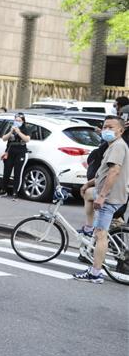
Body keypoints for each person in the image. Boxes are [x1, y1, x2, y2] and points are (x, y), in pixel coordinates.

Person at [74, 116, 129, 283]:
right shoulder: (112, 146)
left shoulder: (118, 147)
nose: (107, 130)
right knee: (88, 194)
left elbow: (114, 172)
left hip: (110, 197)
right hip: (105, 193)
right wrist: (89, 183)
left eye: (111, 127)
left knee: (101, 235)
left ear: (121, 130)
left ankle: (95, 272)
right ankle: (89, 227)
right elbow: (103, 172)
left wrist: (103, 196)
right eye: (105, 126)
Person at [0, 113, 30, 199]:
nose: (17, 122)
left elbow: (27, 139)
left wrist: (19, 132)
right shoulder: (11, 127)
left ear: (23, 121)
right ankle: (3, 190)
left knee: (17, 173)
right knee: (6, 172)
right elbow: (4, 138)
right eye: (16, 120)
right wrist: (11, 131)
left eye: (19, 120)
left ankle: (15, 192)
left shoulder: (25, 128)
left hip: (20, 152)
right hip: (9, 152)